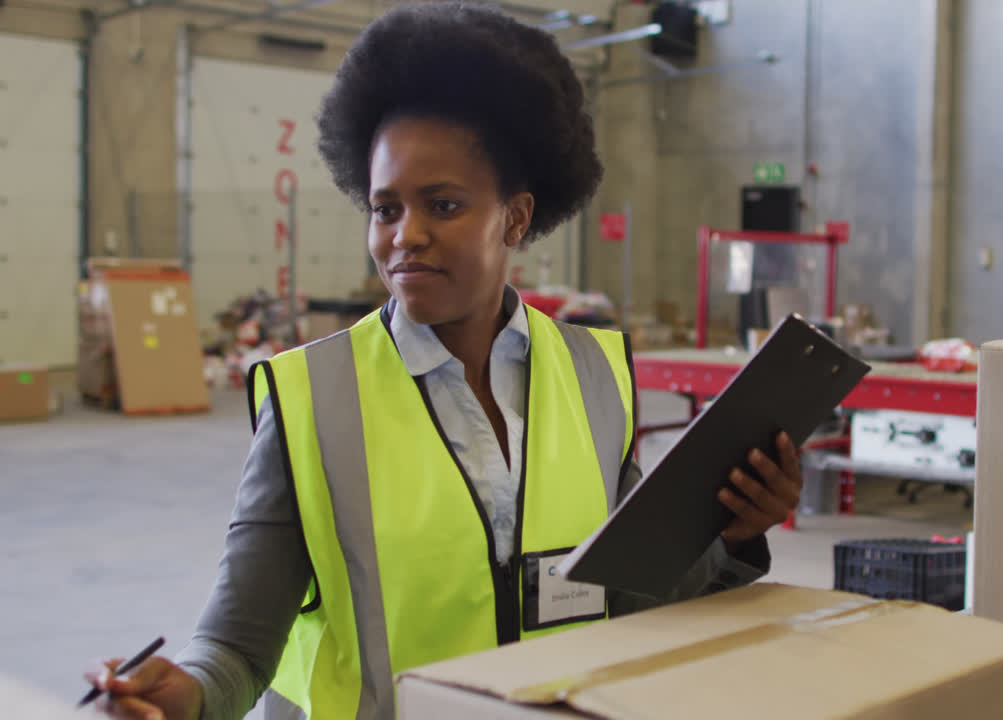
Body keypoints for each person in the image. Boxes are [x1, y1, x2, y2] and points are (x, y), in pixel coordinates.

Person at [86, 3, 803, 718]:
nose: (407, 236)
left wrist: (737, 531)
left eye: (444, 204)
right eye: (385, 207)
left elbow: (636, 593)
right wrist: (188, 695)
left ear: (516, 218)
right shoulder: (315, 398)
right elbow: (239, 646)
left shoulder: (594, 376)